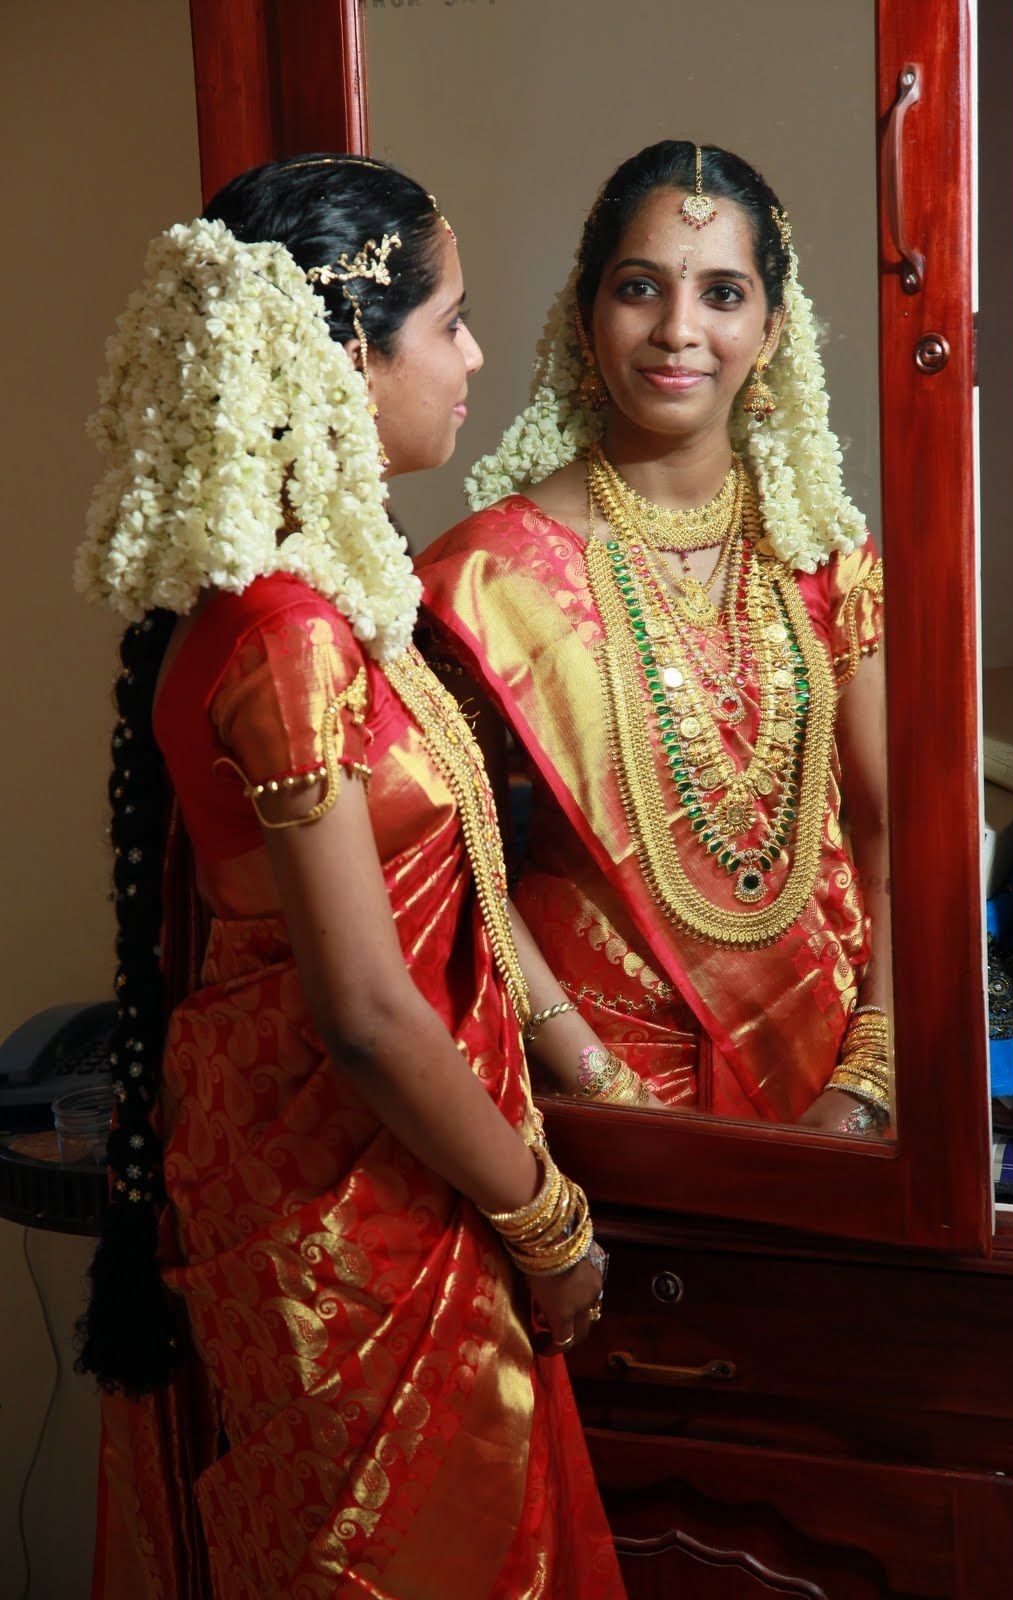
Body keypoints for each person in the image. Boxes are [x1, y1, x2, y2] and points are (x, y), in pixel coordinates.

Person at [73, 154, 624, 1600]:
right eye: (447, 321)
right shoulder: (286, 635)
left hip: (371, 1193)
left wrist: (570, 1063)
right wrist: (545, 1221)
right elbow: (368, 1015)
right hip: (354, 1230)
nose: (475, 357)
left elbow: (449, 880)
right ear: (343, 360)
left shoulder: (309, 598)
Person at [417, 141, 890, 1132]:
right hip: (592, 1098)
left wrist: (871, 1074)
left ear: (768, 329)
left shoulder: (825, 558)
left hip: (831, 1087)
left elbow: (894, 832)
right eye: (639, 288)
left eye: (723, 294)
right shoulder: (485, 577)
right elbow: (457, 873)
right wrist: (593, 1079)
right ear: (586, 316)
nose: (678, 330)